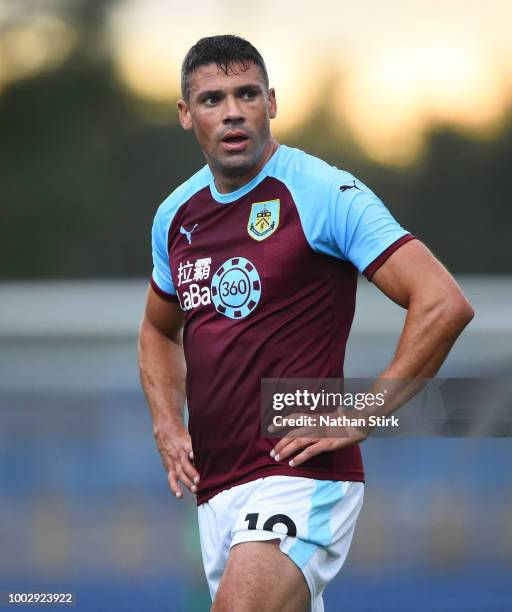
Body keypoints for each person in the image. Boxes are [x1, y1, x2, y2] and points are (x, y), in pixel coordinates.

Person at [138, 34, 474, 612]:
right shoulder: (176, 215)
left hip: (298, 469)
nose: (233, 111)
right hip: (218, 484)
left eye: (247, 94)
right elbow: (157, 331)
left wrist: (369, 409)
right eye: (213, 99)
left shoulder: (321, 190)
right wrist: (168, 424)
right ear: (185, 114)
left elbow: (443, 302)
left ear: (272, 102)